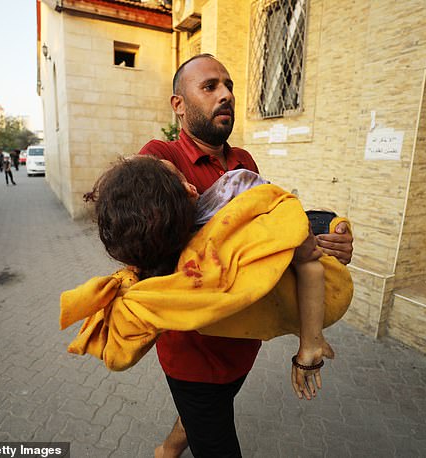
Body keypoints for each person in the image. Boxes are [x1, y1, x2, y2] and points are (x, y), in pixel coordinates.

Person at [135, 54, 353, 458]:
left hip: (242, 346)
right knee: (213, 429)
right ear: (178, 105)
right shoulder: (164, 157)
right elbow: (138, 180)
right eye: (210, 86)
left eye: (229, 85)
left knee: (203, 415)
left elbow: (269, 230)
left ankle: (166, 451)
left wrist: (325, 238)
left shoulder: (244, 163)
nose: (226, 95)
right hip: (193, 358)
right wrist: (151, 179)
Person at [92, 155, 337, 398]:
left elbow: (118, 359)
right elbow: (284, 212)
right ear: (189, 189)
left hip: (234, 343)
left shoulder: (170, 269)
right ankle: (311, 343)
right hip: (294, 296)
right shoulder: (232, 188)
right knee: (307, 262)